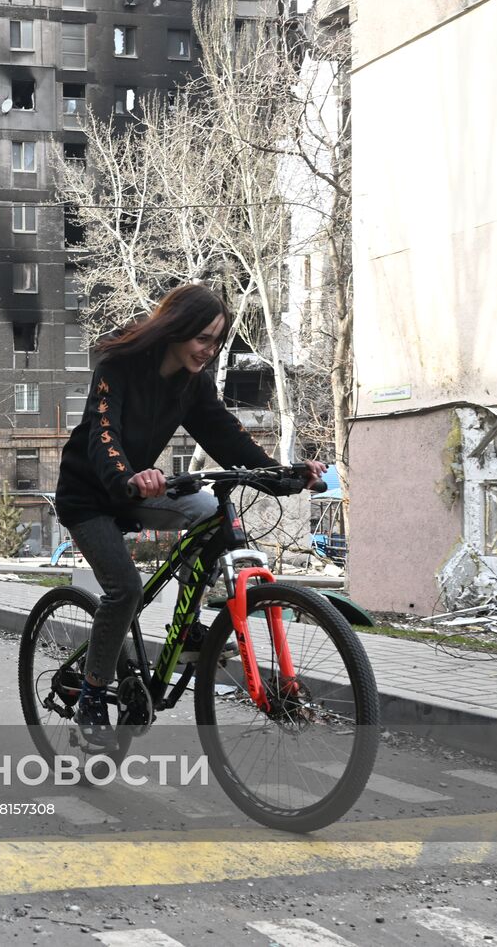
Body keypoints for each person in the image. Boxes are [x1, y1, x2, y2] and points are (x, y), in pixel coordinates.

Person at [54, 284, 325, 748]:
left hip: (138, 490)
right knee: (125, 590)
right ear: (176, 330)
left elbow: (227, 437)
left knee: (207, 508)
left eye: (217, 341)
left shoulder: (192, 384)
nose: (211, 350)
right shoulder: (118, 364)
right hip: (90, 496)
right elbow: (103, 432)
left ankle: (189, 620)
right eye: (203, 338)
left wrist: (286, 475)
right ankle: (93, 696)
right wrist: (128, 476)